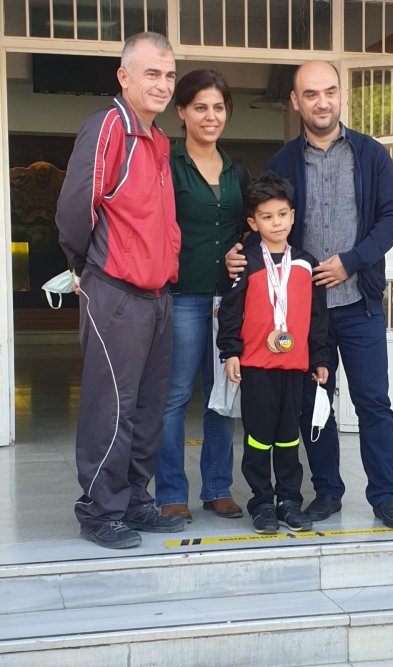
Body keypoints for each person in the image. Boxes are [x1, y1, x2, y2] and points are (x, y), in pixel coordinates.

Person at [226, 60, 393, 529]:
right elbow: (267, 220)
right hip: (305, 315)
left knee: (373, 402)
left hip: (360, 303)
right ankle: (327, 491)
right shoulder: (283, 161)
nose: (322, 102)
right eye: (311, 94)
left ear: (340, 94)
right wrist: (240, 252)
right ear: (295, 101)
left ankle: (385, 496)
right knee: (315, 403)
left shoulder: (370, 154)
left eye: (329, 91)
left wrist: (353, 259)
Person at [56, 32, 186, 549]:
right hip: (115, 291)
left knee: (147, 407)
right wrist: (87, 266)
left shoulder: (158, 139)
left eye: (169, 75)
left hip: (157, 296)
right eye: (152, 73)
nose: (163, 84)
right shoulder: (108, 126)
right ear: (124, 76)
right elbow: (75, 209)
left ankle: (134, 501)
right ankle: (99, 510)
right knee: (111, 405)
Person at [154, 69, 251, 523]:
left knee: (223, 393)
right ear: (181, 111)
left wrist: (240, 250)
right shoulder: (167, 165)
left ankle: (217, 488)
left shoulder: (237, 171)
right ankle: (171, 492)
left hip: (227, 300)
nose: (210, 117)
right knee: (174, 397)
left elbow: (249, 229)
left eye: (218, 107)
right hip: (181, 296)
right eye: (200, 107)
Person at [217, 172, 330, 534]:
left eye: (282, 214)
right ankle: (262, 502)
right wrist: (230, 352)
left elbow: (317, 316)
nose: (276, 223)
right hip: (256, 365)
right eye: (267, 217)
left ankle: (289, 501)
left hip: (294, 366)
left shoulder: (306, 263)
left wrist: (320, 357)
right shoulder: (247, 261)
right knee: (258, 436)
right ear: (253, 223)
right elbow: (230, 311)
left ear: (293, 216)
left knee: (289, 435)